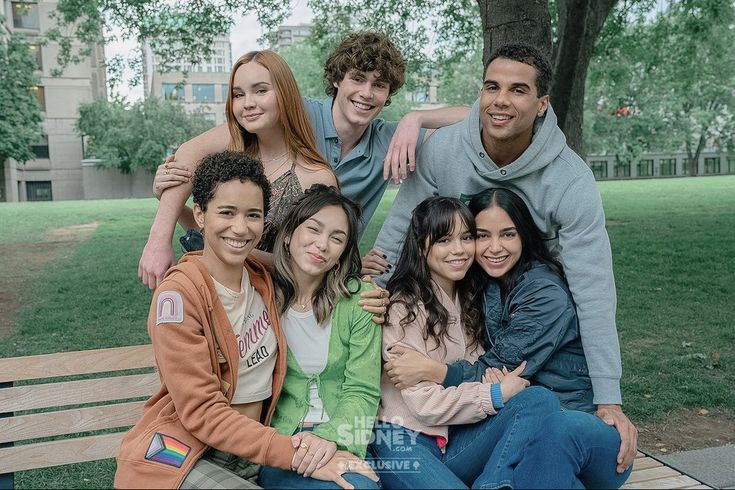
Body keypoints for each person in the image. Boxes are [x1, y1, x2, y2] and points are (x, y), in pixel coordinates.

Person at [366, 42, 638, 472]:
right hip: (484, 340)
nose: (501, 100)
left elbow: (594, 287)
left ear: (542, 103)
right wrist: (371, 290)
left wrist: (609, 399)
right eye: (492, 87)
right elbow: (404, 227)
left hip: (533, 338)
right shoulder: (444, 150)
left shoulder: (570, 181)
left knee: (550, 425)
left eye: (517, 90)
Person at [115, 152, 373, 489]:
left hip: (253, 452)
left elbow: (314, 269)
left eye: (253, 215)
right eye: (226, 212)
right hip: (189, 452)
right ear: (200, 214)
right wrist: (294, 453)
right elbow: (203, 412)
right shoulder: (178, 296)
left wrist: (368, 292)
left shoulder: (263, 281)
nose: (240, 227)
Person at [140, 31, 469, 289]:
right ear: (338, 79)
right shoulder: (294, 114)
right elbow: (190, 154)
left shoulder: (390, 139)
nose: (367, 93)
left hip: (317, 274)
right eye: (357, 79)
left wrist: (416, 119)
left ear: (388, 95)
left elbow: (471, 121)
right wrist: (159, 239)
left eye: (379, 85)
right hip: (262, 264)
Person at [384, 188, 632, 488]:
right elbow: (482, 380)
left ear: (524, 236)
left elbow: (496, 369)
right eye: (482, 235)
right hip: (434, 431)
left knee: (541, 412)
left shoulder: (541, 295)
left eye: (507, 234)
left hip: (558, 418)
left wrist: (436, 371)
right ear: (422, 247)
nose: (493, 247)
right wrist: (495, 390)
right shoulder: (450, 296)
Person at [372, 196, 560, 489]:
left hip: (455, 437)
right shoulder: (403, 308)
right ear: (423, 246)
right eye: (444, 240)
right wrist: (495, 394)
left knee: (539, 400)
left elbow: (480, 371)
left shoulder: (470, 300)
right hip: (404, 439)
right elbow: (425, 405)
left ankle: (493, 483)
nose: (459, 250)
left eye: (467, 237)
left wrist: (486, 386)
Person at [144, 50, 337, 279]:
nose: (247, 104)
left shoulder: (316, 177)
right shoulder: (233, 146)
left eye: (261, 90)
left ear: (286, 94)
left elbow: (308, 262)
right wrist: (162, 227)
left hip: (274, 304)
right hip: (215, 292)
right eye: (238, 94)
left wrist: (223, 247)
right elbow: (187, 153)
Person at [258, 185, 382, 489]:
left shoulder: (361, 301)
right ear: (288, 234)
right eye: (313, 229)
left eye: (337, 238)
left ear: (342, 254)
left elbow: (362, 390)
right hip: (284, 444)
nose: (322, 244)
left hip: (345, 437)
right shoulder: (262, 299)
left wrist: (328, 437)